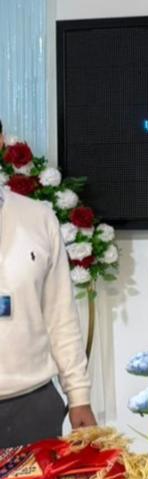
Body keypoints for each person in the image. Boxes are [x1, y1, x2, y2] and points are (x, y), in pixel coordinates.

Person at [0, 118, 97, 448]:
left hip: (32, 406)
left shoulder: (38, 217)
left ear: (1, 142)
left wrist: (79, 394)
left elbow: (60, 314)